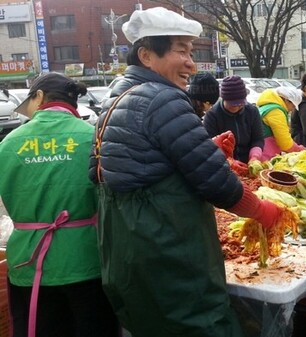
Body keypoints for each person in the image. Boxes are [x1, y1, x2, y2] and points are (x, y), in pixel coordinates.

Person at [88, 7, 284, 337]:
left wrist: (204, 147)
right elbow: (216, 182)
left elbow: (118, 168)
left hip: (126, 249)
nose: (191, 63)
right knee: (201, 324)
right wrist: (261, 210)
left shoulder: (116, 97)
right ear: (147, 55)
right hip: (167, 247)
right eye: (181, 50)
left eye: (191, 51)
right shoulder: (161, 97)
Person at [0, 72, 120, 337]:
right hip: (88, 258)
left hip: (28, 264)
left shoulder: (8, 143)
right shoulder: (94, 137)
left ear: (39, 96)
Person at [204, 75, 264, 169]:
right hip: (223, 165)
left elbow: (258, 139)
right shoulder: (212, 116)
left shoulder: (252, 111)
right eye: (233, 104)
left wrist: (254, 157)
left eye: (241, 104)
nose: (237, 107)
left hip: (248, 164)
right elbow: (210, 147)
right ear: (224, 99)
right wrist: (230, 161)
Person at [257, 86, 306, 160]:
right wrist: (299, 149)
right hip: (265, 155)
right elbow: (284, 142)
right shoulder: (276, 112)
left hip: (260, 152)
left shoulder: (267, 107)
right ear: (287, 100)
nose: (292, 110)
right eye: (293, 106)